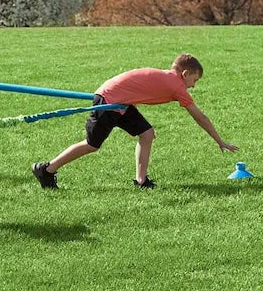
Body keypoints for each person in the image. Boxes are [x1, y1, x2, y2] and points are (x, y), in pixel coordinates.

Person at [32, 53, 238, 189]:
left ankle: (141, 180)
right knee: (92, 145)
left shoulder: (170, 80)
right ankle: (46, 169)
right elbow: (199, 116)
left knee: (147, 134)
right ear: (185, 74)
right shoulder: (176, 86)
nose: (193, 86)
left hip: (121, 103)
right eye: (194, 80)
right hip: (110, 101)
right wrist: (219, 141)